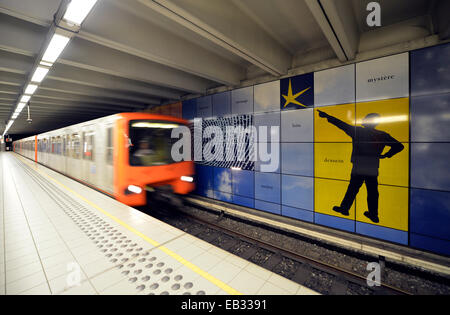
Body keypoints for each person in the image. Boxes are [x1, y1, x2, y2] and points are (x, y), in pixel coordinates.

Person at [317, 110, 404, 223]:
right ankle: (373, 214)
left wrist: (327, 116)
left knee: (353, 188)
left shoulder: (358, 131)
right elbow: (399, 146)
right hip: (373, 167)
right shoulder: (383, 135)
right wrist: (387, 155)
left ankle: (344, 208)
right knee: (372, 191)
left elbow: (341, 125)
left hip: (359, 165)